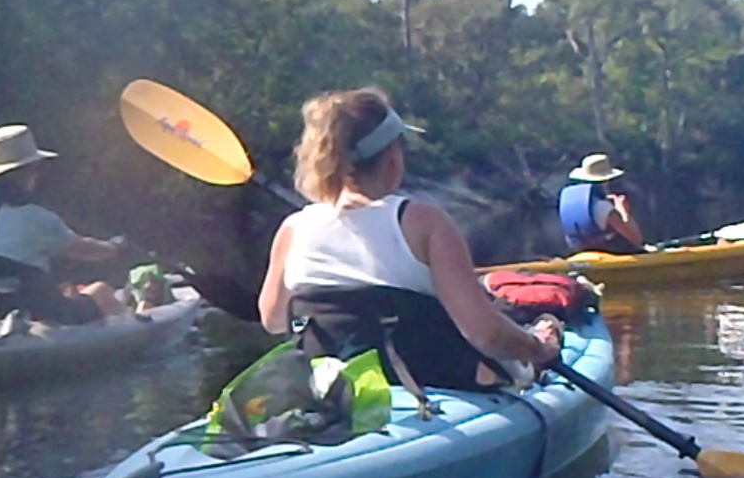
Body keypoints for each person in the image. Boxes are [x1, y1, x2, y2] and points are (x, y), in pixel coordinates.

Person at [259, 88, 562, 390]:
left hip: (333, 394)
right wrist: (538, 347)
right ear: (392, 157)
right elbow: (485, 334)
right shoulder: (424, 223)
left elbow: (273, 320)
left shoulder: (294, 228)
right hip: (427, 388)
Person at [0, 124, 124, 324]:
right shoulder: (38, 217)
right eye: (35, 169)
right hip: (36, 311)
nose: (37, 175)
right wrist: (113, 247)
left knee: (65, 288)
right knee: (102, 291)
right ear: (24, 175)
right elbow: (83, 250)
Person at [557, 153, 646, 254]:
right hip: (608, 256)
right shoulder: (603, 207)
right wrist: (624, 211)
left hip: (581, 254)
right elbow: (636, 239)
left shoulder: (571, 205)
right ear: (606, 180)